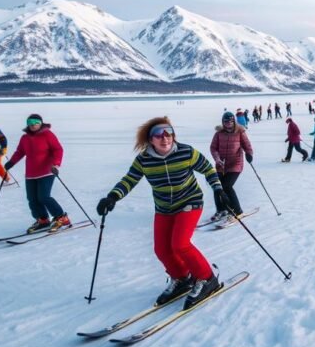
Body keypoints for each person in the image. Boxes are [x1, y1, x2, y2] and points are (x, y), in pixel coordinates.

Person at [96, 117, 227, 309]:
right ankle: (182, 278)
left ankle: (207, 278)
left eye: (169, 134)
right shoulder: (144, 160)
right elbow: (129, 180)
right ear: (150, 140)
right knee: (162, 249)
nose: (165, 139)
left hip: (190, 202)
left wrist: (218, 189)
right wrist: (112, 197)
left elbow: (208, 169)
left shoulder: (186, 152)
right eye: (159, 135)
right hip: (164, 208)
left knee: (180, 245)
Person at [3, 114, 69, 233]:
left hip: (47, 171)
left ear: (40, 123)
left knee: (44, 197)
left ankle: (61, 217)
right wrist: (11, 162)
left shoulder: (48, 135)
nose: (33, 125)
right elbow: (20, 152)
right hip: (31, 173)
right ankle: (43, 220)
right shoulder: (25, 138)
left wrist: (56, 164)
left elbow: (58, 149)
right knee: (32, 199)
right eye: (30, 123)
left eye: (35, 123)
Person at [208, 111, 253, 223]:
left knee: (227, 186)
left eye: (231, 121)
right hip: (221, 165)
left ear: (234, 121)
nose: (229, 123)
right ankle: (222, 210)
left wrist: (249, 154)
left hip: (235, 164)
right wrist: (217, 159)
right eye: (226, 121)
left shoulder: (240, 132)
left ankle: (238, 211)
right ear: (223, 122)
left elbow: (247, 145)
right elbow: (213, 148)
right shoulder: (218, 133)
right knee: (217, 187)